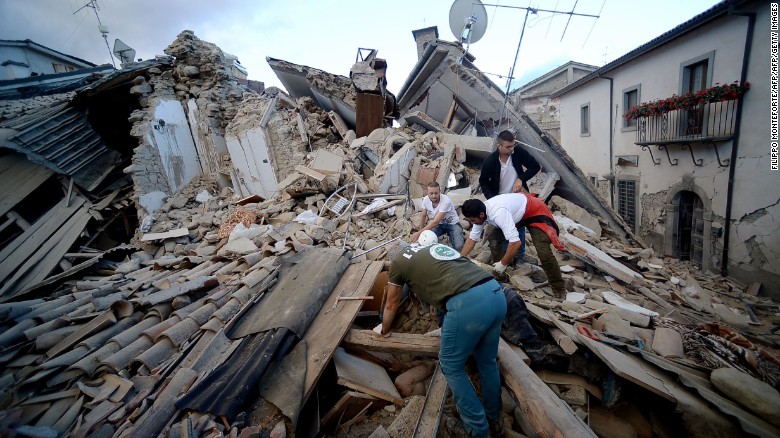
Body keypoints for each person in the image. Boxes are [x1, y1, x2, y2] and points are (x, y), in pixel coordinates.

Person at [380, 237, 507, 437]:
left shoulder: (398, 262)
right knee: (488, 361)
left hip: (466, 304)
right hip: (495, 292)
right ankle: (494, 418)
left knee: (450, 364)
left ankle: (478, 430)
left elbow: (390, 304)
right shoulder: (434, 247)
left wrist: (384, 330)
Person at [460, 193, 567, 299]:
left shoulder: (498, 214)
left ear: (481, 215)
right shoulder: (479, 213)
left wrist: (503, 263)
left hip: (535, 211)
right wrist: (459, 259)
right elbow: (472, 239)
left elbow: (516, 242)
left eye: (473, 220)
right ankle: (501, 275)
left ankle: (559, 288)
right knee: (494, 239)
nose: (472, 223)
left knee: (544, 253)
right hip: (516, 214)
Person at [478, 130, 541, 265]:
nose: (511, 149)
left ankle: (518, 258)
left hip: (517, 199)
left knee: (519, 226)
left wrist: (521, 178)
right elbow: (483, 181)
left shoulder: (517, 153)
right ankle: (504, 258)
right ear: (498, 146)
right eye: (508, 147)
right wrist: (492, 199)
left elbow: (535, 166)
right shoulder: (490, 161)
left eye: (513, 145)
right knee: (502, 229)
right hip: (499, 200)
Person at [410, 182, 465, 251]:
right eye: (431, 193)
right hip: (440, 225)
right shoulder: (425, 200)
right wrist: (422, 232)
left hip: (452, 224)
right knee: (427, 240)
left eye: (436, 193)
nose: (433, 196)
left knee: (458, 247)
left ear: (440, 192)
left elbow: (435, 222)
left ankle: (458, 235)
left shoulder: (446, 201)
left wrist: (419, 233)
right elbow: (423, 215)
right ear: (427, 192)